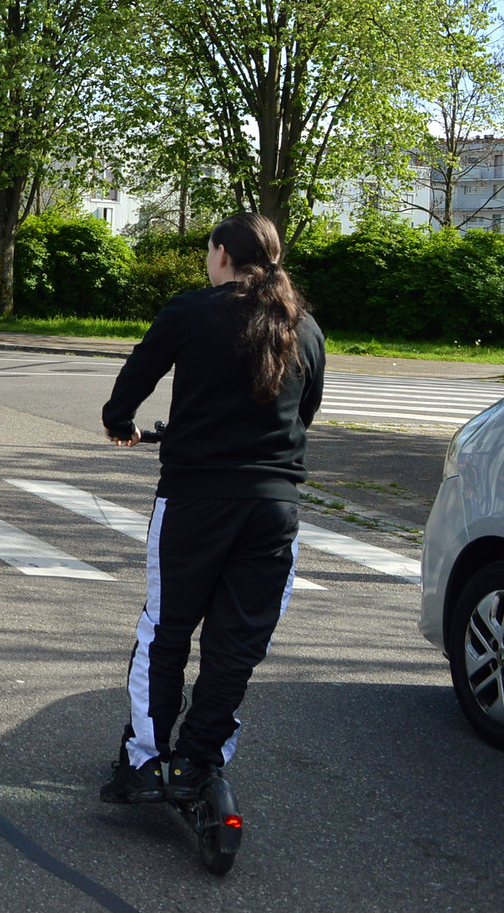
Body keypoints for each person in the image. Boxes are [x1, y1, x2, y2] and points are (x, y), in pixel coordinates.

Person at [97, 211, 325, 805]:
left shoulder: (192, 311)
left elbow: (134, 379)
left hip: (195, 501)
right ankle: (198, 760)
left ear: (222, 253)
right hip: (273, 509)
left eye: (208, 250)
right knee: (235, 645)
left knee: (166, 631)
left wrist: (120, 424)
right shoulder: (303, 327)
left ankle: (145, 760)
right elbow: (304, 415)